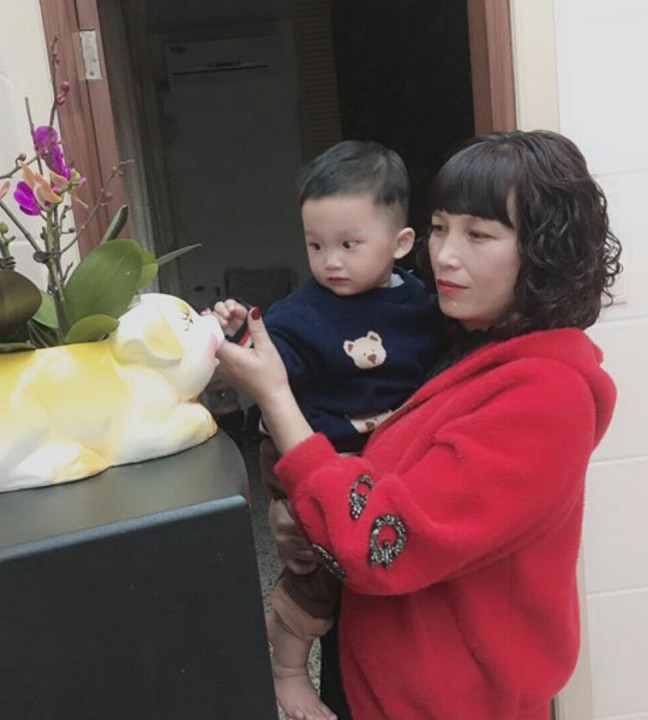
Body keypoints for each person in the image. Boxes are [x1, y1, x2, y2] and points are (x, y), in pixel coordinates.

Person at [216, 129, 622, 720]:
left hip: (448, 702)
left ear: (545, 251)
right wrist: (304, 512)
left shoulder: (546, 396)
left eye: (478, 234)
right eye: (440, 227)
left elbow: (382, 542)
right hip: (380, 668)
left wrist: (276, 399)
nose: (446, 255)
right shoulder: (459, 339)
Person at [213, 140, 444, 720]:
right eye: (315, 245)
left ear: (401, 244)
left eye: (348, 244)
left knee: (360, 567)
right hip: (302, 455)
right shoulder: (302, 314)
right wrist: (238, 333)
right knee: (316, 567)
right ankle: (289, 671)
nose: (330, 262)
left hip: (368, 468)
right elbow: (269, 362)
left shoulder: (423, 307)